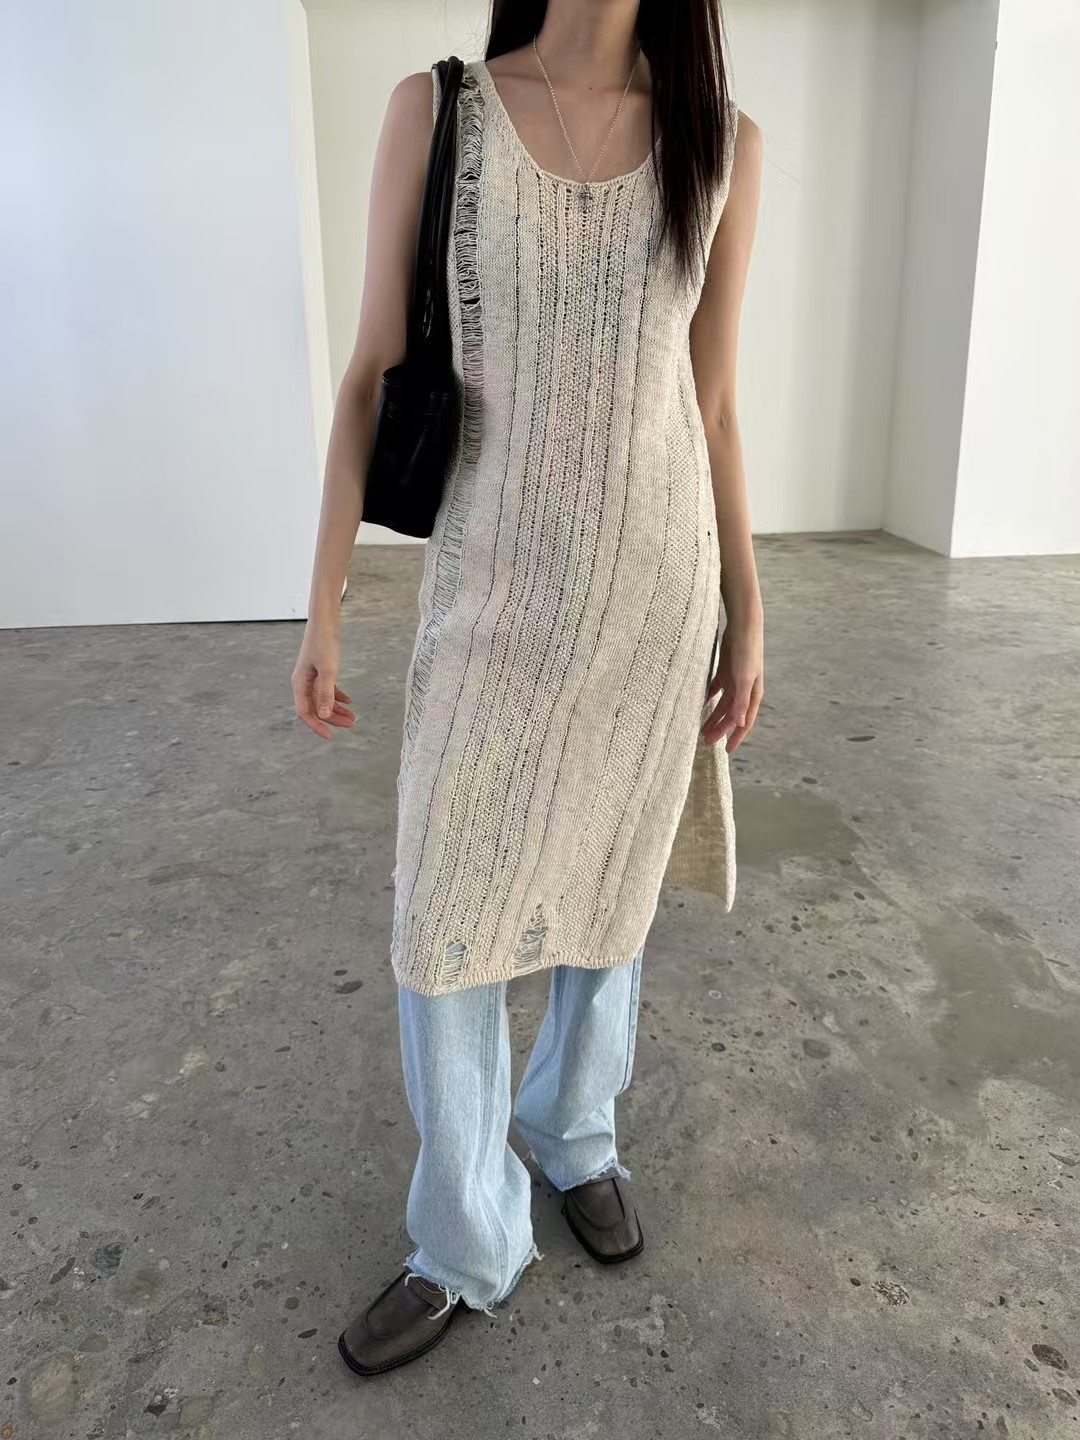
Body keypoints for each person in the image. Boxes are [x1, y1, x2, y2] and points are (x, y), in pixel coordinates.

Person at [291, 0, 764, 1377]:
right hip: (490, 607)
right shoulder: (441, 111)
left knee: (610, 895)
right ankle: (466, 1239)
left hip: (653, 600)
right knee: (444, 924)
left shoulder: (721, 143)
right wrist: (322, 601)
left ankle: (574, 1131)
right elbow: (372, 370)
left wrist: (750, 605)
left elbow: (711, 403)